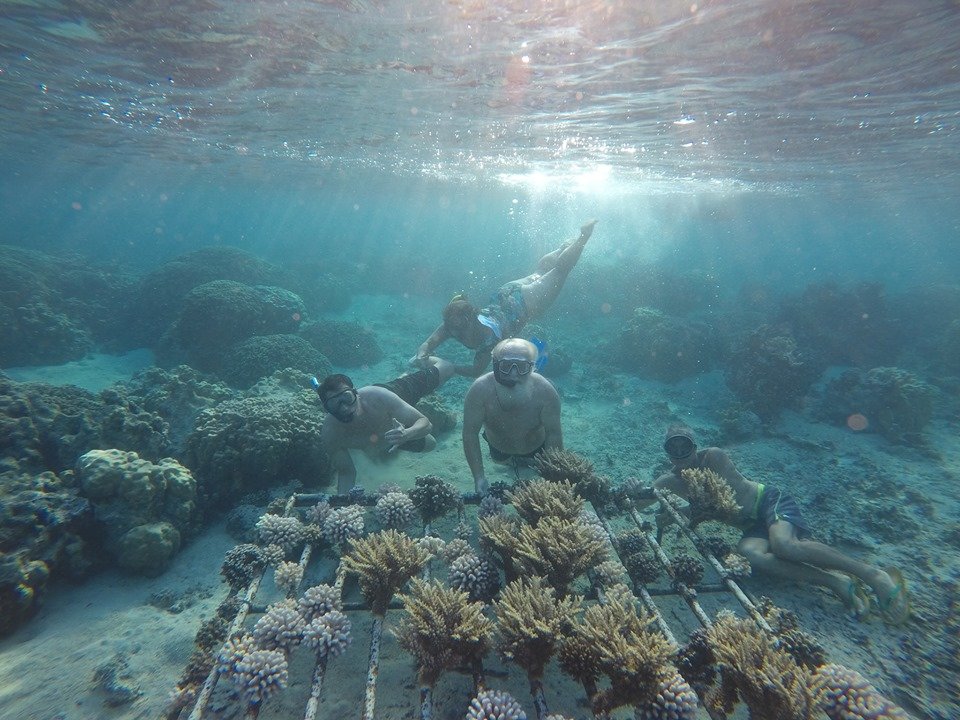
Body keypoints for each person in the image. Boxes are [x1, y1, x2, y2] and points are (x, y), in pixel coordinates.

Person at [639, 424, 910, 624]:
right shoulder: (668, 481)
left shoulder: (714, 457)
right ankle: (835, 582)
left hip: (768, 502)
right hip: (751, 526)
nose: (679, 453)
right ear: (667, 453)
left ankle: (872, 574)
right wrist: (636, 494)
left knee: (784, 545)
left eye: (683, 444)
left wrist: (686, 510)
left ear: (694, 446)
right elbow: (641, 501)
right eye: (672, 448)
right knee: (750, 555)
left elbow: (719, 500)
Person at [413, 220, 597, 377]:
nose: (453, 331)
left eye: (457, 327)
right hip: (507, 292)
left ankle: (583, 237)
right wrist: (423, 354)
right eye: (450, 325)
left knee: (559, 271)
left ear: (470, 320)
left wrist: (450, 368)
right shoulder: (454, 323)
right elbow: (428, 344)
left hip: (525, 304)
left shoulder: (487, 338)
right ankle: (564, 247)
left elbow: (476, 370)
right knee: (540, 271)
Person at [316, 358, 455, 494]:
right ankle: (395, 439)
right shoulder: (330, 433)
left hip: (394, 395)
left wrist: (408, 433)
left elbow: (426, 424)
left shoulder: (379, 397)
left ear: (356, 393)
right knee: (430, 444)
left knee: (447, 367)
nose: (345, 408)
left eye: (347, 398)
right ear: (326, 409)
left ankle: (417, 360)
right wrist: (342, 510)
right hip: (386, 437)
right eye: (334, 405)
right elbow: (346, 473)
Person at [462, 338, 563, 495]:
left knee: (534, 465)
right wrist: (478, 477)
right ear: (495, 364)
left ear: (532, 367)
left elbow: (554, 433)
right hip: (498, 448)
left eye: (522, 367)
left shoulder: (546, 392)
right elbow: (469, 433)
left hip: (536, 448)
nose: (514, 374)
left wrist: (553, 477)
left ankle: (522, 462)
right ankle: (511, 462)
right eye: (506, 366)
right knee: (500, 461)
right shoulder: (479, 390)